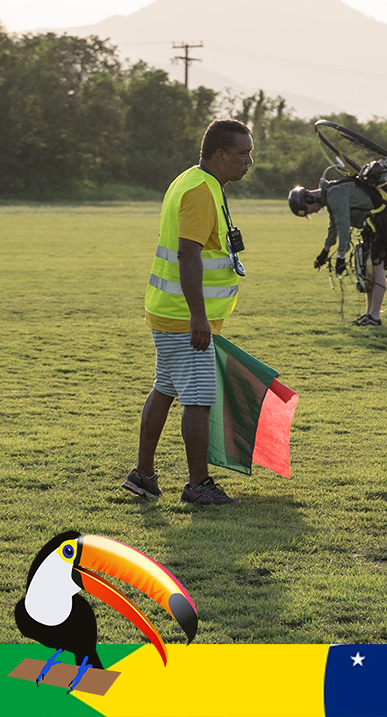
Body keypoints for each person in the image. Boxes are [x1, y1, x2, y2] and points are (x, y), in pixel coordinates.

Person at [121, 119, 253, 506]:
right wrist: (198, 316)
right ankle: (198, 485)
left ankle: (143, 476)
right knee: (197, 397)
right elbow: (188, 253)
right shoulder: (199, 190)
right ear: (220, 154)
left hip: (172, 311)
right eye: (242, 153)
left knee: (165, 389)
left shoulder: (196, 181)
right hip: (184, 316)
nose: (249, 161)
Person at [288, 160, 387, 326]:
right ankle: (369, 314)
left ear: (309, 199)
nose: (315, 211)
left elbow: (343, 224)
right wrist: (325, 251)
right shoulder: (330, 194)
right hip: (371, 227)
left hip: (382, 222)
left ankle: (375, 316)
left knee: (377, 267)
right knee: (367, 271)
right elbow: (334, 226)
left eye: (311, 211)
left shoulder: (334, 194)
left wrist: (341, 256)